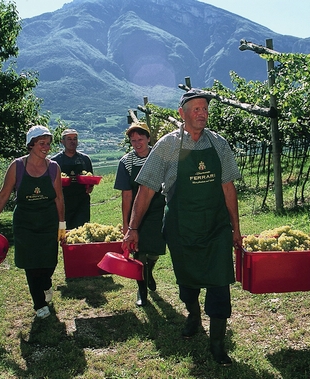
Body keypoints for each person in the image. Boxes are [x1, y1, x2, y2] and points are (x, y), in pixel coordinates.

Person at [122, 89, 242, 366]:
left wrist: (235, 228)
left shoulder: (219, 144)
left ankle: (217, 344)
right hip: (181, 226)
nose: (202, 113)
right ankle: (193, 314)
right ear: (182, 113)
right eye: (196, 109)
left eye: (205, 109)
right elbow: (147, 188)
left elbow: (228, 187)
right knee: (187, 282)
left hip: (215, 227)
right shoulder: (167, 146)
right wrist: (133, 228)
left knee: (219, 283)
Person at [0, 125, 66, 319]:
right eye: (41, 143)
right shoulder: (17, 166)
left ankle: (46, 283)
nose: (46, 147)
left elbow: (59, 198)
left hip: (48, 221)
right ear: (31, 145)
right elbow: (4, 194)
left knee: (49, 261)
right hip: (25, 223)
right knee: (31, 263)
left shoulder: (53, 167)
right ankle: (39, 304)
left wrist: (62, 224)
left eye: (48, 143)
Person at [114, 121, 166, 307]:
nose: (137, 143)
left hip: (159, 211)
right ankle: (142, 292)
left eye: (140, 139)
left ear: (148, 138)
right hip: (139, 214)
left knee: (155, 250)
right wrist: (127, 224)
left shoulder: (161, 157)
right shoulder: (126, 162)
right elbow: (127, 196)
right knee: (139, 254)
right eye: (133, 140)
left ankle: (148, 271)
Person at [51, 129, 94, 229]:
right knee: (64, 232)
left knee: (81, 231)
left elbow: (91, 180)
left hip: (81, 203)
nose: (72, 141)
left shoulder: (85, 159)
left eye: (75, 139)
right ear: (62, 142)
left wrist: (90, 186)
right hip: (63, 202)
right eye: (69, 139)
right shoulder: (55, 161)